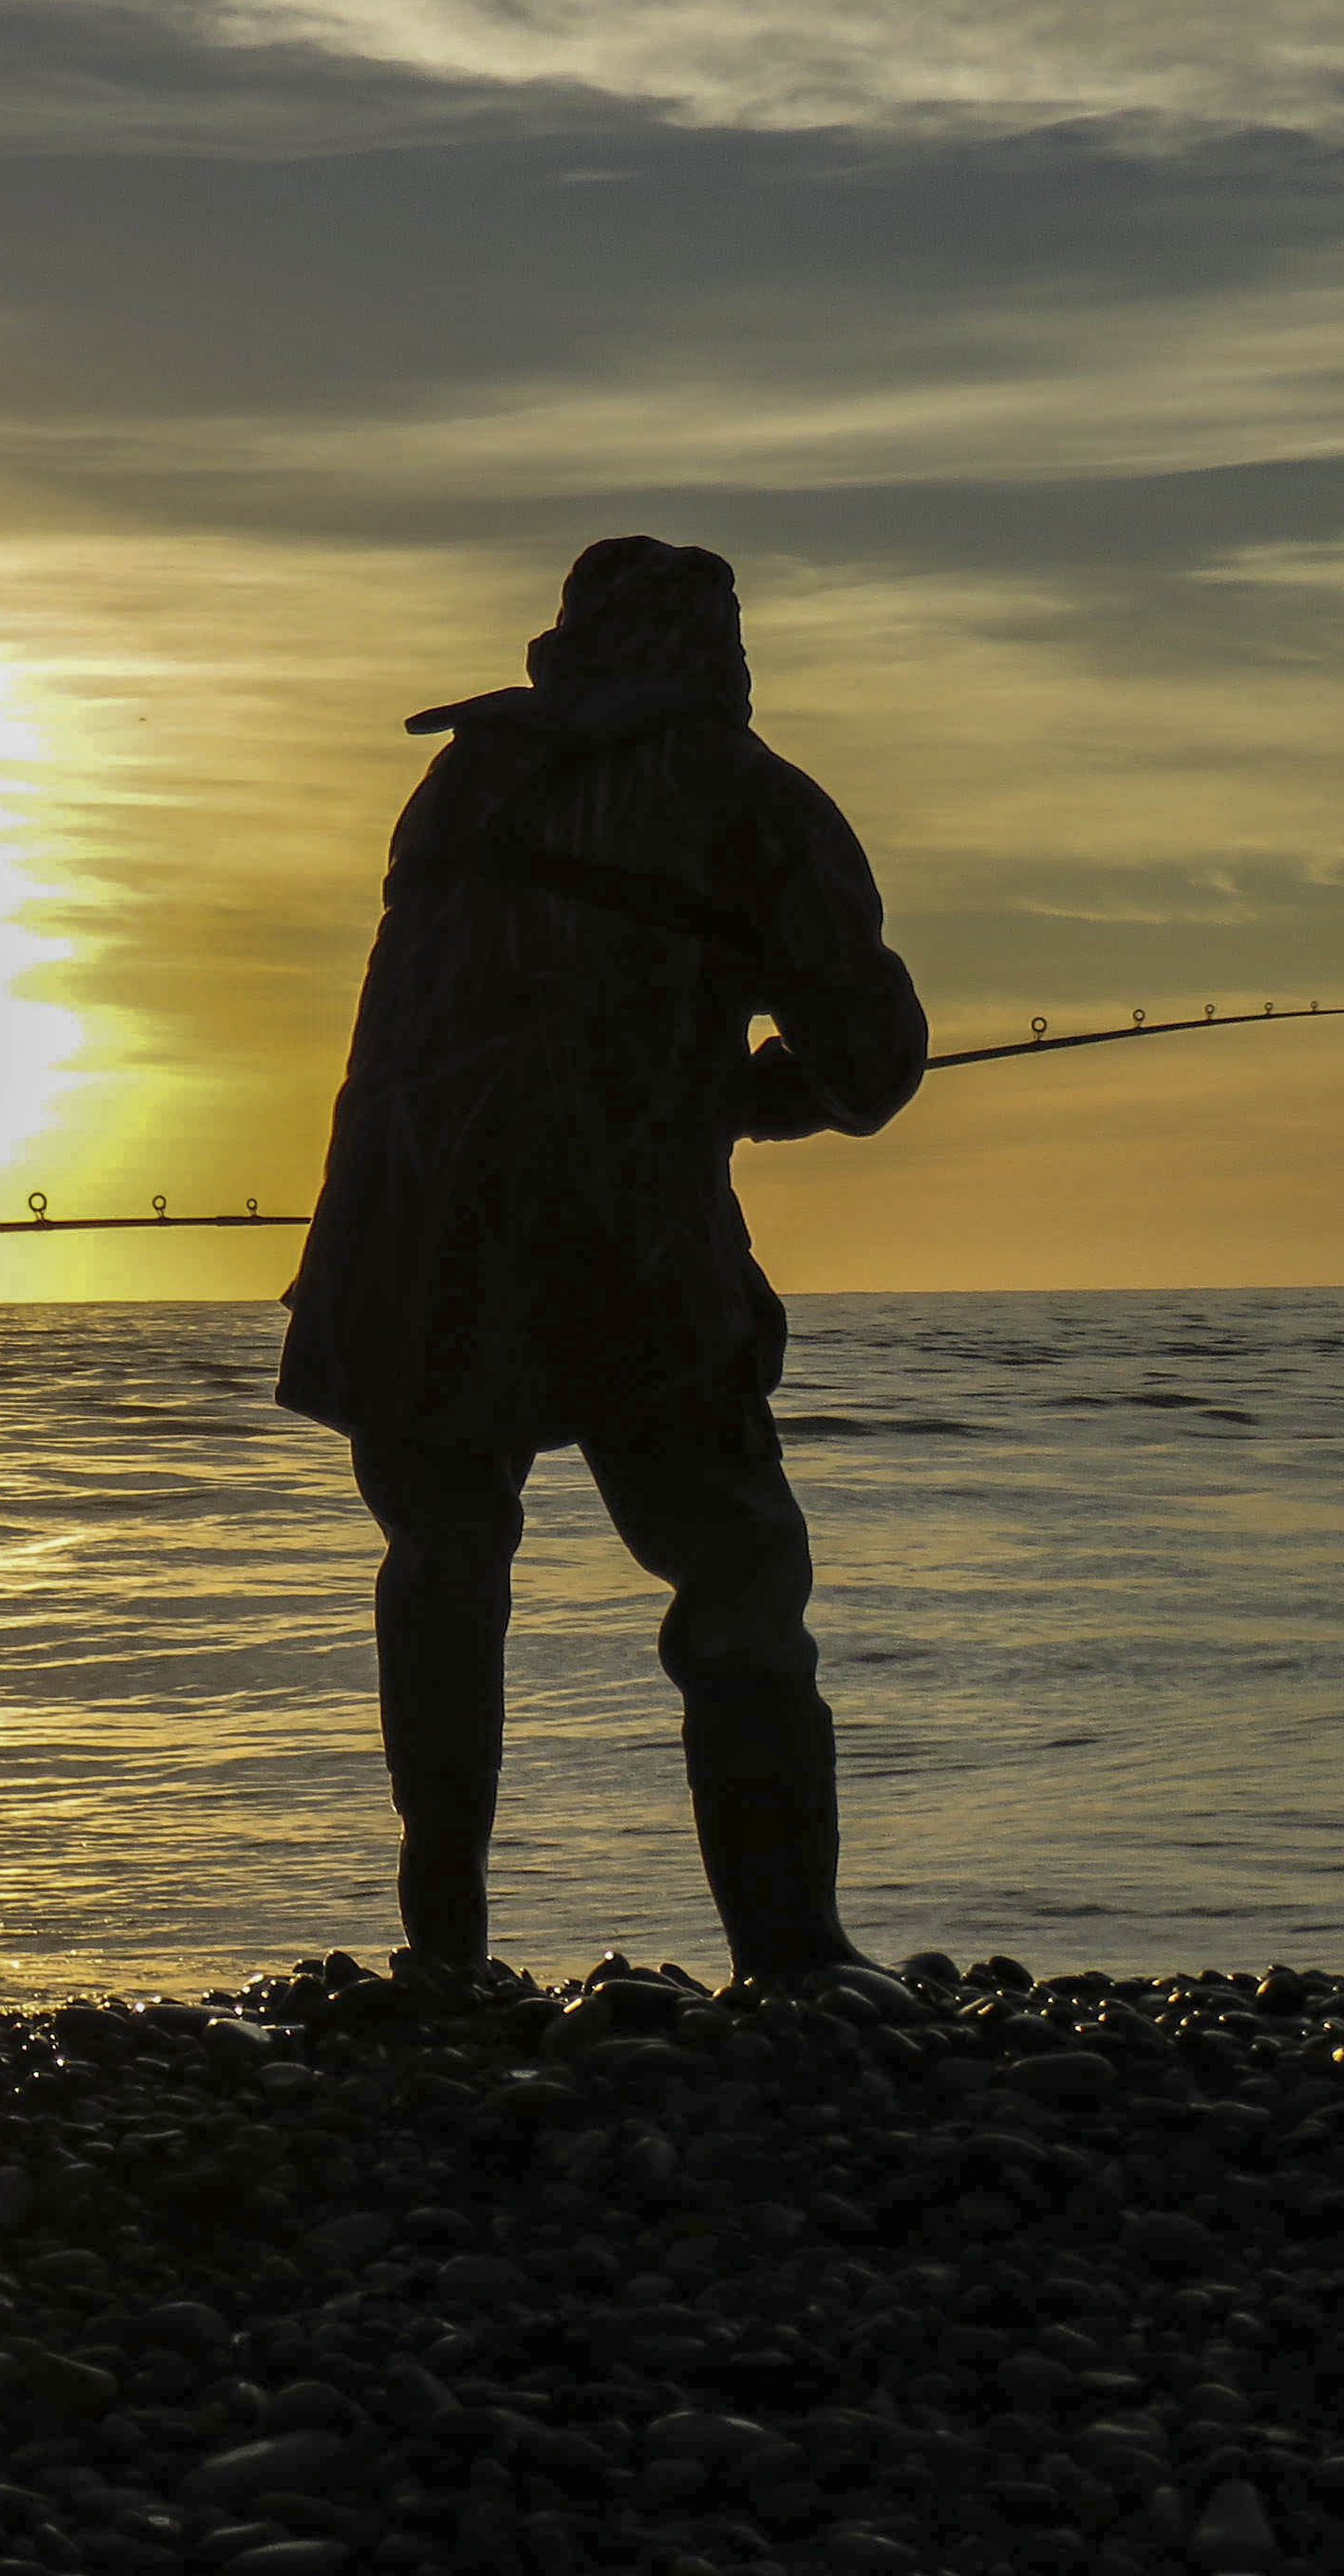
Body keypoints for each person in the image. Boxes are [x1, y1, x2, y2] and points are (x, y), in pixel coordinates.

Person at [277, 536, 928, 2001]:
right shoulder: (750, 800)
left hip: (394, 1242)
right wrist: (768, 1094)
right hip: (623, 1247)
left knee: (444, 1565)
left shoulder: (463, 777)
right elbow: (874, 1065)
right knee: (737, 1572)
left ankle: (442, 1954)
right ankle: (793, 1956)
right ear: (721, 651)